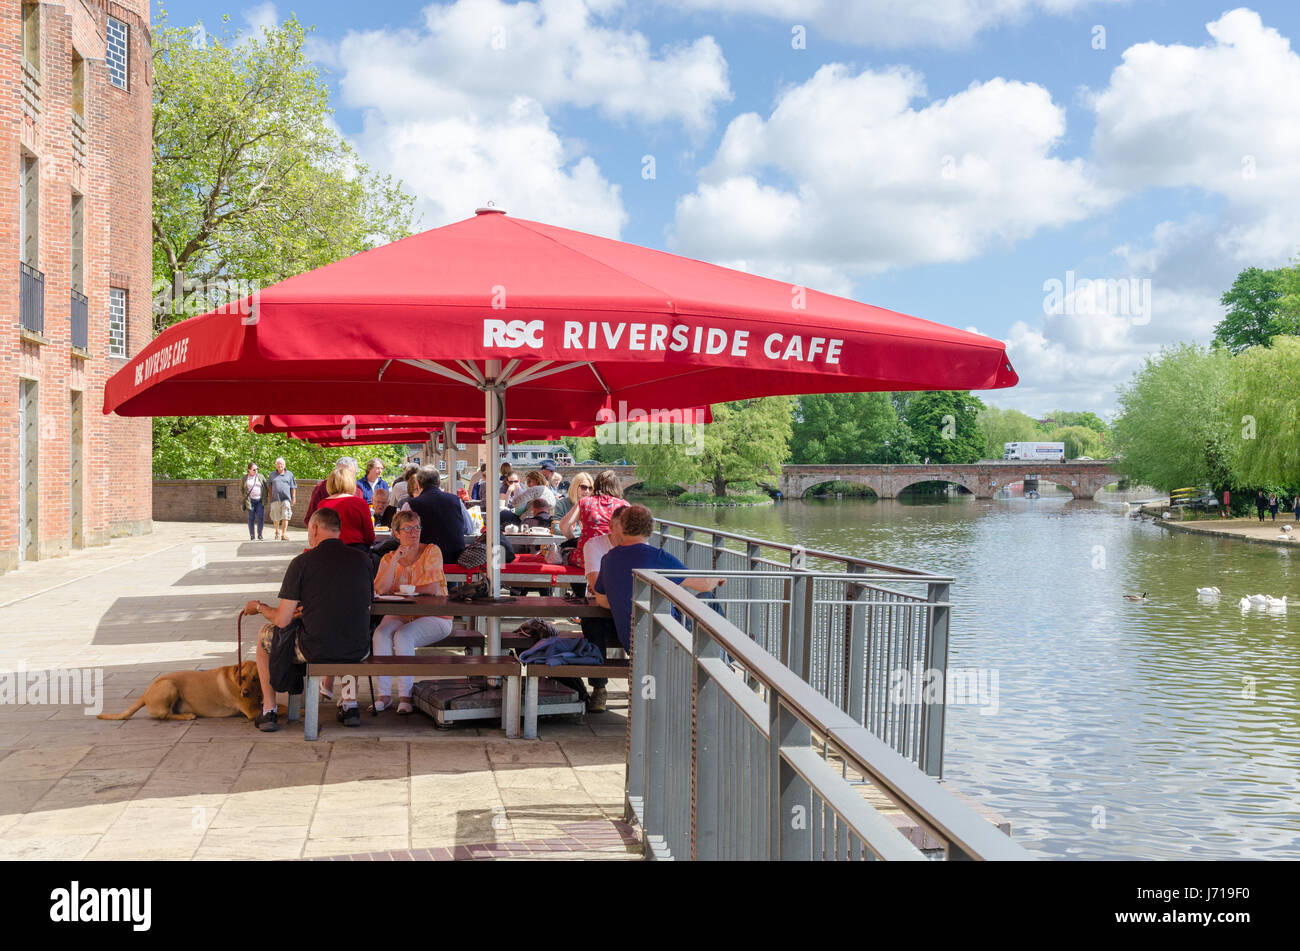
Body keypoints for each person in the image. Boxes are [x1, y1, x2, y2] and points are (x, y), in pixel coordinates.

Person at [245, 507, 373, 731]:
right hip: (359, 647)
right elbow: (363, 606)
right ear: (338, 531)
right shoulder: (363, 560)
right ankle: (350, 704)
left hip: (315, 649)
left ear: (314, 528)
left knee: (265, 634)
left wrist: (258, 607)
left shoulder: (302, 563)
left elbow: (282, 620)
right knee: (347, 628)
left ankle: (269, 709)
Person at [594, 504, 724, 652]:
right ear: (650, 528)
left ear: (622, 526)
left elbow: (601, 599)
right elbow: (703, 585)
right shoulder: (656, 557)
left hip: (632, 644)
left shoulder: (608, 559)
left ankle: (726, 656)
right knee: (709, 599)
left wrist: (625, 602)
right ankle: (727, 659)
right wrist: (718, 578)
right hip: (666, 637)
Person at [370, 511, 453, 714]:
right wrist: (396, 559)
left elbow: (432, 588)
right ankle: (384, 695)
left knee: (403, 635)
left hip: (435, 615)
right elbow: (380, 588)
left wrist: (399, 590)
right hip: (403, 613)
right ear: (396, 534)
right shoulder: (389, 557)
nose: (414, 532)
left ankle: (406, 696)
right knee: (380, 634)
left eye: (417, 527)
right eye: (408, 528)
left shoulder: (432, 551)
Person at [404, 465, 474, 563]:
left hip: (423, 560)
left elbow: (399, 535)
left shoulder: (410, 505)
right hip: (454, 559)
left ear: (418, 484)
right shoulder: (456, 501)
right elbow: (470, 529)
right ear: (439, 483)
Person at [568, 469, 628, 572]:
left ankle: (579, 588)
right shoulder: (624, 505)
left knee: (566, 554)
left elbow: (564, 525)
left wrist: (572, 538)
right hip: (615, 560)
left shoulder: (585, 502)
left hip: (585, 559)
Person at [317, 466, 376, 550]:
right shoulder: (359, 503)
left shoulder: (322, 504)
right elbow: (369, 534)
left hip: (329, 549)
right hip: (356, 549)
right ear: (351, 482)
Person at [306, 456, 361, 522]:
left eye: (349, 474)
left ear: (355, 473)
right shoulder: (321, 488)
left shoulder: (358, 490)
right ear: (336, 472)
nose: (345, 477)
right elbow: (311, 518)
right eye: (341, 473)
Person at [267, 457, 297, 540]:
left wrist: (293, 497)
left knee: (285, 516)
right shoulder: (272, 474)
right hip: (275, 499)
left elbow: (293, 487)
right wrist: (270, 496)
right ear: (276, 466)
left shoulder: (289, 474)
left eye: (282, 464)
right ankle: (277, 532)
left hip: (286, 499)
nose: (280, 465)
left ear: (285, 465)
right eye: (278, 464)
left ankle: (283, 534)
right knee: (275, 517)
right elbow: (269, 486)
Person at [241, 462, 268, 541]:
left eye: (257, 469)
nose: (256, 471)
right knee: (251, 518)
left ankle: (260, 534)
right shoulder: (245, 478)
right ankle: (252, 535)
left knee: (261, 517)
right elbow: (242, 489)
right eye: (254, 469)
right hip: (250, 501)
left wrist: (265, 498)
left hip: (260, 500)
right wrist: (245, 497)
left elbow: (265, 488)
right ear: (249, 470)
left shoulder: (261, 477)